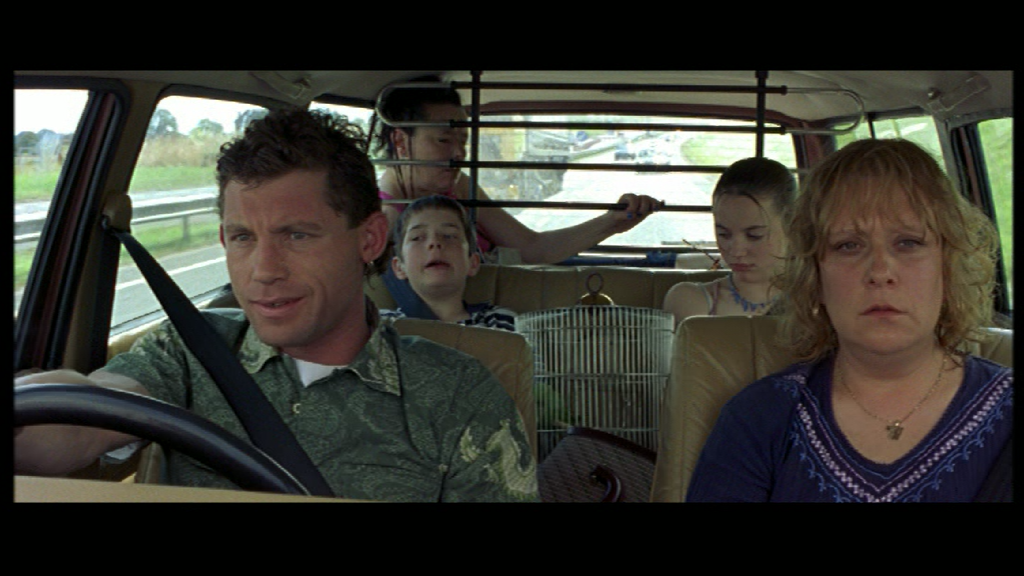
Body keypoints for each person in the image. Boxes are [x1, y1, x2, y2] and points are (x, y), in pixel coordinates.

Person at [14, 108, 538, 503]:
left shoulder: (457, 395)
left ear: (370, 240)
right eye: (243, 238)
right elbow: (79, 417)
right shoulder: (189, 351)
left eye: (297, 235)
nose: (263, 270)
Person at [686, 139, 1013, 502]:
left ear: (948, 267)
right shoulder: (757, 419)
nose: (880, 271)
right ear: (815, 276)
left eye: (908, 242)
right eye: (848, 245)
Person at [374, 75, 664, 265]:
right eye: (443, 140)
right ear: (400, 142)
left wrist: (612, 222)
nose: (460, 154)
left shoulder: (458, 187)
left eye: (463, 140)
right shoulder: (383, 221)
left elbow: (531, 249)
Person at [662, 157, 796, 325]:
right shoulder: (693, 300)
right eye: (723, 234)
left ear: (792, 226)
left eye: (754, 235)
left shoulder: (819, 301)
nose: (736, 251)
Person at [381, 194, 516, 332]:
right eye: (417, 238)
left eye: (449, 236)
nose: (434, 242)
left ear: (473, 263)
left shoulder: (499, 321)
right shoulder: (383, 325)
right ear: (399, 267)